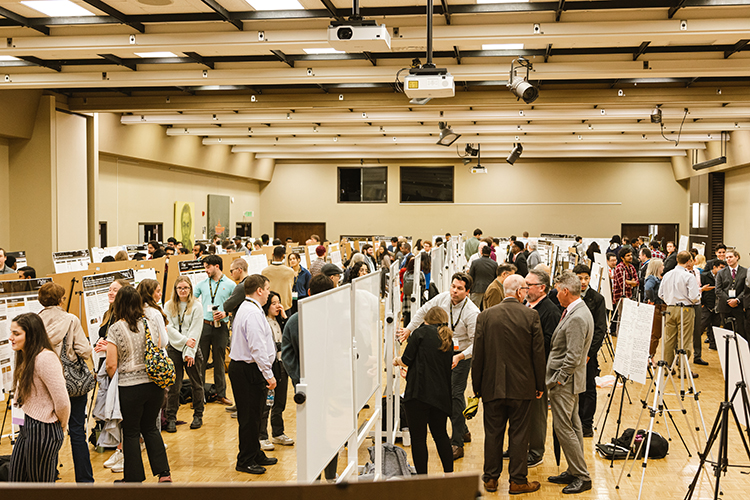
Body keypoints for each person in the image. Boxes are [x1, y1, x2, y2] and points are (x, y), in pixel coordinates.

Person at [472, 275, 544, 494]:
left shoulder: (485, 316)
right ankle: (517, 480)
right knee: (520, 434)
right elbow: (538, 354)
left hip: (492, 386)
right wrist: (539, 384)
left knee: (493, 433)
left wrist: (476, 387)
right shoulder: (531, 316)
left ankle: (491, 478)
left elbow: (478, 356)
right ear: (521, 291)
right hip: (522, 387)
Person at [398, 272, 479, 460]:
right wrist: (409, 328)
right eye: (453, 286)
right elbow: (423, 310)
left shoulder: (472, 313)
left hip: (462, 356)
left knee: (455, 395)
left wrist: (460, 357)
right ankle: (464, 429)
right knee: (443, 392)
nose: (454, 291)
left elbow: (478, 344)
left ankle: (457, 442)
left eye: (459, 289)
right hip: (443, 353)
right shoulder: (443, 298)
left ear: (467, 292)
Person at [105, 286, 171, 483]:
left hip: (129, 387)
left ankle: (133, 479)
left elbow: (111, 364)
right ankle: (164, 473)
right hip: (154, 384)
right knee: (150, 428)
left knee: (131, 432)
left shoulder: (116, 328)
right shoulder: (150, 323)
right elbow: (160, 346)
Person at [281, 274, 337, 480]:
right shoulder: (337, 317)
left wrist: (300, 381)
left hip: (307, 389)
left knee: (312, 432)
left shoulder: (294, 321)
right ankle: (330, 474)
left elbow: (286, 356)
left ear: (310, 292)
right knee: (332, 431)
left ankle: (314, 475)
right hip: (333, 386)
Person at [38, 282, 94, 483]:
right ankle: (85, 480)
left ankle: (49, 476)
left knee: (49, 431)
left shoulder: (35, 321)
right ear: (61, 299)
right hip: (71, 383)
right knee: (77, 430)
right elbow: (85, 350)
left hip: (45, 382)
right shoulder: (71, 320)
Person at [546, 271, 594, 495]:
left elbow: (573, 356)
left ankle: (582, 476)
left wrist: (558, 379)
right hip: (571, 382)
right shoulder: (577, 310)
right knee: (573, 427)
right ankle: (575, 470)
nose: (555, 295)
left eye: (557, 290)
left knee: (564, 428)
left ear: (566, 291)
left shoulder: (576, 317)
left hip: (565, 383)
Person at [8, 313, 70, 482]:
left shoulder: (45, 358)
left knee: (40, 487)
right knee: (16, 481)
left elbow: (62, 401)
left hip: (44, 429)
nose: (10, 338)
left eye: (16, 333)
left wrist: (61, 427)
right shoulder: (25, 355)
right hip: (27, 426)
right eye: (12, 332)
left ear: (31, 335)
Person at [227, 274, 278, 475]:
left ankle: (255, 453)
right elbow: (257, 348)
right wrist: (269, 374)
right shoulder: (252, 313)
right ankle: (245, 459)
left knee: (256, 414)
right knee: (249, 417)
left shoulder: (249, 308)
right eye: (267, 289)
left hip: (248, 369)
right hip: (248, 369)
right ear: (259, 290)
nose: (268, 293)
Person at [393, 307, 453, 476]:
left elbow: (406, 359)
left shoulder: (420, 333)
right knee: (441, 435)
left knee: (419, 439)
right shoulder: (447, 338)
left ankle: (422, 479)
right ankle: (449, 475)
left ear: (426, 320)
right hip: (440, 396)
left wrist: (397, 361)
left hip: (418, 395)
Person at [523, 268, 561, 467]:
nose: (525, 288)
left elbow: (549, 343)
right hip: (522, 367)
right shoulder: (526, 304)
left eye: (529, 285)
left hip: (539, 369)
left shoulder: (550, 311)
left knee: (537, 413)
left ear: (542, 288)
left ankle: (536, 452)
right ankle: (520, 447)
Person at [164, 276, 205, 432]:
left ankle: (198, 415)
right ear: (175, 289)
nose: (183, 291)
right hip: (174, 348)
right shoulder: (168, 305)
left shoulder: (197, 306)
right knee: (174, 386)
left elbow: (195, 330)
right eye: (180, 288)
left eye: (185, 288)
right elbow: (169, 328)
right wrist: (184, 341)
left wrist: (190, 352)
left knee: (197, 384)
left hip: (192, 350)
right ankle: (171, 418)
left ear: (190, 289)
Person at [194, 254, 235, 405]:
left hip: (221, 327)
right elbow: (191, 300)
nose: (205, 270)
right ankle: (199, 397)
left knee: (219, 362)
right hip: (204, 326)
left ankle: (221, 394)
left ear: (216, 266)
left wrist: (227, 313)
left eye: (207, 267)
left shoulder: (231, 285)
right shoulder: (202, 284)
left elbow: (236, 306)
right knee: (201, 362)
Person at [572, 265, 607, 438]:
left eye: (586, 278)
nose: (583, 282)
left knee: (588, 388)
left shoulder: (597, 299)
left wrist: (589, 353)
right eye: (580, 278)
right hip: (571, 352)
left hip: (588, 355)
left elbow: (600, 329)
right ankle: (573, 421)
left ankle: (587, 424)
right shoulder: (567, 297)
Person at [259, 291, 294, 451]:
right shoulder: (262, 321)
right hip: (269, 367)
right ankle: (262, 436)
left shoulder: (281, 321)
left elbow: (290, 337)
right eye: (273, 303)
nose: (277, 306)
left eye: (278, 302)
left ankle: (278, 432)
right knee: (267, 404)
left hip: (282, 365)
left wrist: (285, 317)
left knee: (280, 402)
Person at [658, 251, 701, 374]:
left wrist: (670, 299)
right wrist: (698, 298)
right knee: (685, 340)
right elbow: (693, 296)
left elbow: (660, 294)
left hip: (670, 309)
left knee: (669, 339)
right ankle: (683, 369)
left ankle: (667, 368)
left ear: (677, 259)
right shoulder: (689, 276)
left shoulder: (667, 275)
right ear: (688, 262)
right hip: (685, 309)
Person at [716, 249, 747, 341]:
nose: (728, 259)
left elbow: (746, 289)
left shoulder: (745, 271)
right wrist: (729, 300)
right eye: (727, 258)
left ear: (737, 257)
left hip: (739, 305)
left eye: (730, 257)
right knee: (726, 332)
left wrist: (737, 300)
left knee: (740, 331)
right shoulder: (721, 272)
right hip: (725, 306)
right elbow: (718, 290)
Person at [700, 259, 726, 352]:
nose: (723, 270)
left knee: (715, 326)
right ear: (714, 267)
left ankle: (713, 345)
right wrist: (702, 303)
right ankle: (695, 345)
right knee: (701, 326)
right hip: (707, 305)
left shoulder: (723, 277)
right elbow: (700, 290)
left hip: (718, 306)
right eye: (721, 268)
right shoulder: (704, 276)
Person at [262, 246, 296, 312]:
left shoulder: (264, 271)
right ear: (283, 256)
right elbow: (291, 286)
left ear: (272, 255)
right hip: (285, 306)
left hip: (270, 307)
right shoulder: (290, 271)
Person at [644, 258, 666, 358]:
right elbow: (648, 288)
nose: (663, 267)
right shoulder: (652, 278)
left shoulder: (656, 278)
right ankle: (650, 357)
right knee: (655, 334)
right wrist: (652, 299)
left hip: (658, 307)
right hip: (656, 307)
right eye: (662, 265)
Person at [468, 244, 498, 309]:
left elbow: (470, 276)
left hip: (477, 289)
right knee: (487, 309)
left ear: (481, 252)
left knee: (473, 308)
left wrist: (469, 289)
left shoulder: (475, 262)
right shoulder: (494, 264)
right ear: (490, 253)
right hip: (489, 289)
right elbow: (496, 277)